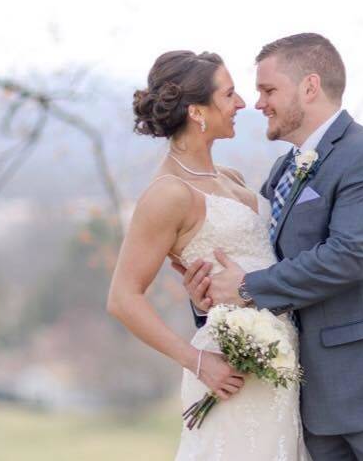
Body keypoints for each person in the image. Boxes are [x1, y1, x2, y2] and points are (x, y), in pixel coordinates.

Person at [180, 33, 363, 461]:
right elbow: (266, 261)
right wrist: (213, 301)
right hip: (315, 404)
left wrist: (245, 287)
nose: (258, 103)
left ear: (309, 87)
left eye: (268, 90)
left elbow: (348, 257)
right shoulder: (283, 171)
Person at [107, 50, 310, 460]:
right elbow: (123, 298)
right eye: (230, 94)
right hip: (230, 370)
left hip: (279, 366)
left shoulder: (230, 178)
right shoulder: (168, 194)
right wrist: (199, 361)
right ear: (197, 111)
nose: (241, 105)